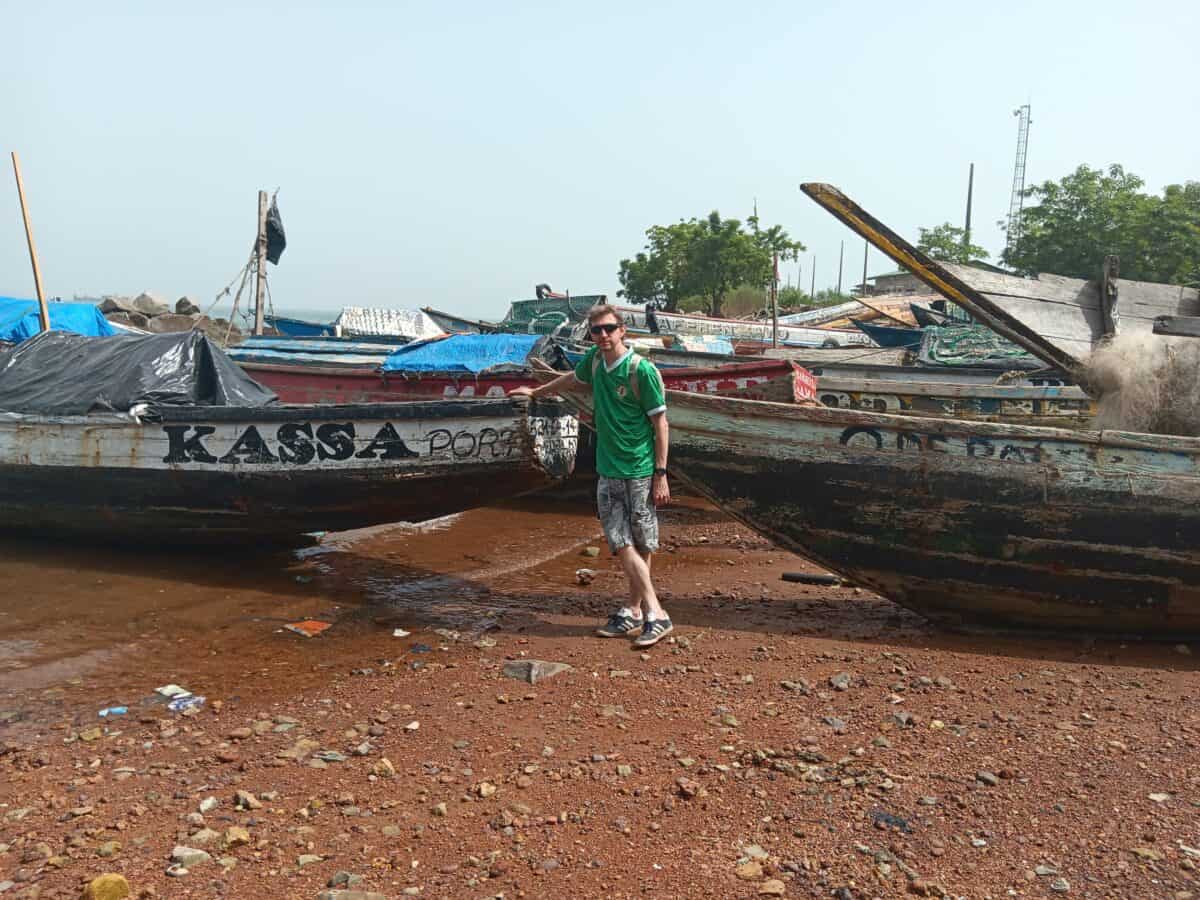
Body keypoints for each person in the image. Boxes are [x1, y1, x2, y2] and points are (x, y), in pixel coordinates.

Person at [509, 304, 673, 648]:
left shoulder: (640, 370)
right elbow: (573, 379)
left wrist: (661, 473)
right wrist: (535, 392)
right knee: (620, 539)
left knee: (640, 542)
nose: (603, 336)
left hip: (640, 468)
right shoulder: (596, 361)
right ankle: (649, 611)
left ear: (622, 330)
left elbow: (660, 424)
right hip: (608, 467)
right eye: (596, 331)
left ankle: (640, 610)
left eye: (609, 329)